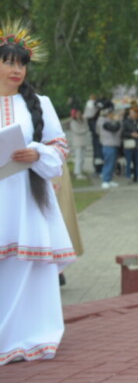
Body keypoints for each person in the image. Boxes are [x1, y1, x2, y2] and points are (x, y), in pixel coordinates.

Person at [0, 20, 76, 364]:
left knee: (29, 266)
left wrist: (37, 153)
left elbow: (59, 147)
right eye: (9, 62)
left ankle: (33, 336)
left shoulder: (40, 103)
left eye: (21, 63)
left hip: (28, 198)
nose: (16, 70)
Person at [121, 106, 138, 183]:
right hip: (129, 144)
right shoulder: (126, 122)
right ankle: (129, 176)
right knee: (129, 162)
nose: (131, 114)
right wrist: (131, 134)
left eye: (132, 113)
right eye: (130, 113)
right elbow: (122, 133)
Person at [95, 106, 122, 189]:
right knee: (108, 163)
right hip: (108, 144)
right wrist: (117, 121)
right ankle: (105, 180)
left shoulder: (108, 121)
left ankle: (109, 179)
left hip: (113, 144)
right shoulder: (103, 122)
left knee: (112, 163)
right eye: (111, 114)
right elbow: (114, 128)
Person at [67, 108, 90, 178]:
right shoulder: (73, 122)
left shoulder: (82, 121)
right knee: (78, 158)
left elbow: (86, 128)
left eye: (80, 113)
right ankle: (77, 172)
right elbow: (77, 131)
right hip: (77, 142)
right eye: (78, 114)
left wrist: (84, 130)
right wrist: (84, 130)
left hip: (83, 141)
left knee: (82, 158)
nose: (79, 115)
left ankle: (80, 170)